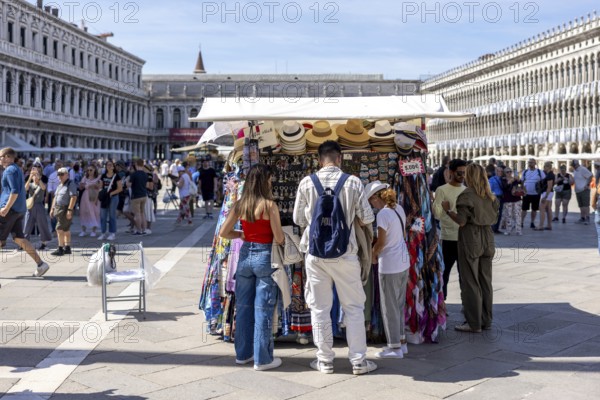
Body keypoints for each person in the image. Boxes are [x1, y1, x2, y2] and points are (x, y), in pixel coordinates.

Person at [293, 140, 377, 375]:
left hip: (315, 254)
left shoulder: (306, 183)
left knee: (320, 308)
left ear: (319, 160)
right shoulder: (352, 182)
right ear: (339, 159)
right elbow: (367, 218)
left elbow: (299, 219)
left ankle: (325, 361)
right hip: (346, 253)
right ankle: (359, 361)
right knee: (353, 307)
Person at [219, 164, 285, 371]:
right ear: (265, 181)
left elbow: (223, 232)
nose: (271, 182)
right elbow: (280, 237)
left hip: (245, 256)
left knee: (244, 308)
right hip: (265, 256)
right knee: (263, 309)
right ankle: (262, 359)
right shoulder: (269, 205)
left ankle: (242, 354)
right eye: (270, 179)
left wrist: (240, 234)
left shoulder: (240, 204)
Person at [443, 163, 499, 333]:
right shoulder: (490, 196)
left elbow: (461, 221)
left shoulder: (466, 195)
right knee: (485, 281)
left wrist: (448, 210)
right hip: (488, 238)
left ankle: (473, 323)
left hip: (470, 238)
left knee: (470, 282)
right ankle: (486, 320)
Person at [366, 181, 410, 359]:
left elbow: (381, 242)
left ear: (376, 197)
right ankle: (402, 342)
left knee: (389, 306)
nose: (371, 205)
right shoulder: (398, 208)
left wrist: (373, 254)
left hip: (390, 264)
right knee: (398, 304)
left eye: (371, 201)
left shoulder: (383, 214)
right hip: (402, 260)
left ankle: (394, 347)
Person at [0, 148, 50, 277]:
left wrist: (6, 208)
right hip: (19, 210)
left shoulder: (9, 170)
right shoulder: (17, 169)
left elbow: (15, 191)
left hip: (9, 210)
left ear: (7, 157)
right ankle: (41, 264)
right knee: (20, 239)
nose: (0, 159)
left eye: (0, 157)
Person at [433, 159, 467, 300]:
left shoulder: (467, 191)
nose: (462, 175)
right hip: (447, 238)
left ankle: (466, 304)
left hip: (464, 239)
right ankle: (443, 303)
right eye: (460, 172)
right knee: (444, 274)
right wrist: (442, 208)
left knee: (464, 276)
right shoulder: (442, 190)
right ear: (451, 172)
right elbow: (437, 214)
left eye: (465, 173)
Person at [50, 167, 78, 256]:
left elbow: (73, 197)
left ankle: (60, 248)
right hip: (58, 209)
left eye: (62, 174)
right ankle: (67, 248)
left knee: (59, 228)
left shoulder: (70, 184)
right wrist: (52, 208)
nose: (60, 176)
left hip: (65, 209)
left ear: (67, 175)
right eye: (59, 174)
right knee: (66, 229)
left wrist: (70, 210)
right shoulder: (60, 185)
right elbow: (55, 197)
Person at [23, 164, 52, 250]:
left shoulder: (41, 184)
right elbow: (25, 188)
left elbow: (43, 187)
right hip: (30, 206)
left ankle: (44, 244)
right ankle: (24, 243)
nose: (35, 177)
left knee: (42, 225)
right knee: (27, 225)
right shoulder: (30, 184)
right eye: (34, 176)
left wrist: (39, 178)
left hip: (39, 205)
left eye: (36, 176)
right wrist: (30, 176)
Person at [98, 161, 122, 241]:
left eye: (110, 165)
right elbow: (101, 186)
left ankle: (112, 233)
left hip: (113, 197)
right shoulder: (103, 176)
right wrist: (101, 192)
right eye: (107, 165)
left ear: (113, 166)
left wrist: (111, 193)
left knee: (112, 215)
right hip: (105, 197)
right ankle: (103, 233)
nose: (109, 166)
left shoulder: (116, 176)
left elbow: (120, 188)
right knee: (103, 216)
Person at [520, 158, 545, 229]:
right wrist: (523, 190)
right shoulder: (525, 172)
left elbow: (544, 181)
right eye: (529, 162)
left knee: (534, 209)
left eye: (532, 162)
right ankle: (521, 222)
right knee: (524, 209)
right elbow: (522, 181)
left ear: (535, 163)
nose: (530, 164)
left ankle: (532, 222)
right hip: (526, 194)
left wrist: (541, 190)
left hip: (536, 194)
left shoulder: (540, 172)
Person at [126, 159, 149, 235]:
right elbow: (147, 185)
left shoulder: (134, 174)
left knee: (137, 214)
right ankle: (144, 229)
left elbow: (128, 185)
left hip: (136, 196)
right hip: (144, 195)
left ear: (136, 164)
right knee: (143, 213)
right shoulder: (145, 174)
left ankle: (139, 230)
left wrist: (127, 181)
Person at [78, 164, 101, 237]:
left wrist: (92, 185)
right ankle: (83, 230)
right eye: (88, 170)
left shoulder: (98, 178)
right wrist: (81, 185)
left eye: (91, 170)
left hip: (94, 196)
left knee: (94, 212)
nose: (89, 171)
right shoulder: (85, 177)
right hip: (85, 196)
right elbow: (80, 187)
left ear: (95, 170)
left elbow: (100, 187)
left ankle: (94, 230)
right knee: (84, 212)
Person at [500, 166, 523, 236]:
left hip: (516, 198)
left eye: (510, 171)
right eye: (507, 172)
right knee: (508, 215)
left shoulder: (514, 179)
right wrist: (510, 182)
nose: (509, 173)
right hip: (507, 199)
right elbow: (504, 187)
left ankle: (518, 230)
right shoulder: (503, 179)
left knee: (518, 214)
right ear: (504, 173)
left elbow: (521, 184)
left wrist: (518, 179)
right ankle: (508, 230)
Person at [572, 160, 593, 225]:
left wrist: (587, 185)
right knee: (581, 205)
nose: (574, 167)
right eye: (573, 166)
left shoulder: (583, 169)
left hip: (584, 190)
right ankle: (582, 218)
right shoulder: (575, 170)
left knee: (585, 205)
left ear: (578, 164)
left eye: (574, 165)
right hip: (578, 190)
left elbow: (590, 175)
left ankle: (587, 218)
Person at [535, 162, 555, 231]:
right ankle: (549, 225)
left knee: (542, 208)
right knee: (548, 209)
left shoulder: (549, 175)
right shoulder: (551, 174)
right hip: (550, 193)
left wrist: (545, 196)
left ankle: (541, 225)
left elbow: (549, 187)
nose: (544, 168)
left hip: (547, 193)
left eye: (544, 167)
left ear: (547, 167)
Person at [487, 164, 504, 233]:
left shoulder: (503, 179)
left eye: (501, 171)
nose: (500, 173)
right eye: (499, 171)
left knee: (499, 214)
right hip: (496, 198)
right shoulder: (492, 179)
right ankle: (493, 228)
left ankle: (496, 228)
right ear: (496, 172)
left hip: (502, 198)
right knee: (495, 213)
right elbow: (489, 190)